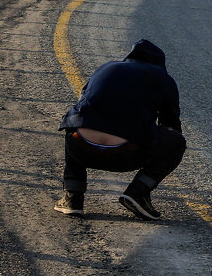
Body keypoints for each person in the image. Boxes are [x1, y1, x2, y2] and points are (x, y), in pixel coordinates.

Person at [56, 39, 186, 220]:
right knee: (177, 142)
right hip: (125, 154)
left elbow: (83, 102)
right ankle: (138, 191)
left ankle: (73, 196)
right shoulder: (162, 78)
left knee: (76, 121)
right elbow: (171, 125)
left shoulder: (107, 67)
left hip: (81, 148)